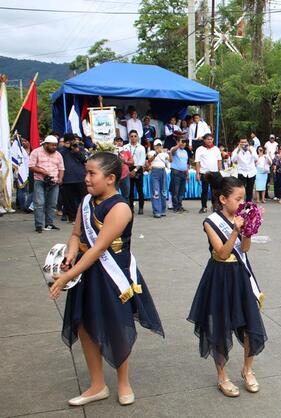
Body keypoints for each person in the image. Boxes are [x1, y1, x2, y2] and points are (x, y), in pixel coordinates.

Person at [48, 152, 164, 407]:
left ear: (110, 178)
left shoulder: (120, 208)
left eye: (92, 173)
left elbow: (100, 248)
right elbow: (77, 234)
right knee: (84, 324)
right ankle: (97, 384)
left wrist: (67, 275)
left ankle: (123, 382)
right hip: (85, 270)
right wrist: (69, 254)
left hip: (111, 274)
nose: (86, 178)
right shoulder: (87, 201)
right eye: (86, 172)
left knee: (116, 322)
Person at [187, 176, 266, 397]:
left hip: (241, 274)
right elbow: (222, 252)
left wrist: (248, 229)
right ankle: (222, 376)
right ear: (223, 199)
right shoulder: (210, 222)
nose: (242, 204)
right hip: (219, 276)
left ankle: (248, 370)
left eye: (244, 199)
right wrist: (234, 230)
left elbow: (246, 249)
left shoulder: (240, 218)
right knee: (219, 325)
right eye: (238, 199)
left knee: (251, 321)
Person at [29, 135, 64, 232]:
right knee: (39, 203)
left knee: (52, 203)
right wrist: (42, 172)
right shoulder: (36, 152)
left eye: (55, 145)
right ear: (46, 144)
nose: (54, 147)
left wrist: (60, 178)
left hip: (54, 182)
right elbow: (31, 166)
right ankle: (39, 225)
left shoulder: (58, 154)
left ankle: (49, 224)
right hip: (40, 180)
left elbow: (61, 168)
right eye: (52, 145)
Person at [58, 135, 87, 224]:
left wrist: (76, 151)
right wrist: (66, 147)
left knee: (83, 199)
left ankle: (84, 217)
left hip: (80, 178)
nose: (72, 143)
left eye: (73, 141)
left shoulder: (80, 149)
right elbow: (59, 159)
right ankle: (72, 218)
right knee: (68, 200)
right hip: (67, 179)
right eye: (69, 141)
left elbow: (84, 160)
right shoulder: (61, 150)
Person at [195, 134, 223, 213]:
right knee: (204, 190)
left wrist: (220, 171)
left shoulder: (216, 149)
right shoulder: (200, 149)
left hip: (215, 173)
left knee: (215, 191)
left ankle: (215, 206)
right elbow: (197, 162)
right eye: (208, 139)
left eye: (211, 139)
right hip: (205, 173)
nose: (210, 141)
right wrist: (197, 174)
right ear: (204, 140)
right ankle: (204, 207)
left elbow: (219, 160)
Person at [146, 140, 170, 218]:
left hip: (163, 171)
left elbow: (170, 160)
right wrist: (156, 153)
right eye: (157, 145)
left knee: (163, 191)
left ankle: (163, 210)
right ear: (154, 146)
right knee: (156, 192)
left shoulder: (164, 153)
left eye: (159, 145)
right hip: (155, 171)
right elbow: (149, 160)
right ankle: (156, 211)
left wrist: (170, 153)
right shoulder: (151, 152)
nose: (158, 147)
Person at [125, 130, 146, 215]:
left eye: (135, 136)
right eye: (132, 136)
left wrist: (135, 170)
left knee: (139, 189)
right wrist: (129, 170)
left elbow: (142, 161)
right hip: (128, 168)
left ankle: (141, 207)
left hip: (138, 168)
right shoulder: (125, 147)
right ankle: (130, 208)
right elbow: (123, 159)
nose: (133, 138)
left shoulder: (141, 147)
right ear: (129, 137)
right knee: (130, 190)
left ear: (138, 137)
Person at [168, 137, 191, 213]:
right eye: (182, 142)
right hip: (176, 172)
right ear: (178, 142)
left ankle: (180, 206)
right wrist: (178, 144)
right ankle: (175, 207)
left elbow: (186, 164)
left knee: (181, 191)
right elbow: (172, 151)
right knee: (175, 191)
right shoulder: (175, 149)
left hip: (183, 172)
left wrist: (187, 174)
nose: (183, 143)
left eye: (184, 142)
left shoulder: (185, 152)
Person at [232, 138, 257, 202]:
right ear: (239, 143)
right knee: (241, 189)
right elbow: (233, 160)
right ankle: (241, 203)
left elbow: (256, 159)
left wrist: (250, 151)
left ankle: (249, 205)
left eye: (245, 142)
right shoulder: (236, 150)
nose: (243, 144)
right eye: (242, 142)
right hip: (241, 172)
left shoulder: (252, 149)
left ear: (247, 143)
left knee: (250, 189)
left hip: (251, 172)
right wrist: (238, 151)